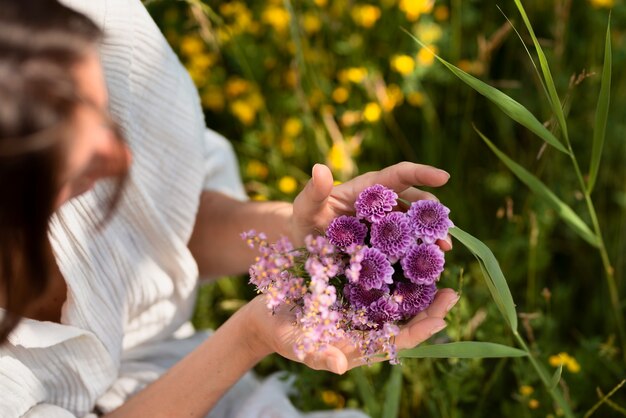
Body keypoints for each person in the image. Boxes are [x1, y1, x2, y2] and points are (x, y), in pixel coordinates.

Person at [0, 0, 460, 417]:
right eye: (81, 161)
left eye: (107, 117)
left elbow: (161, 224)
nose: (123, 160)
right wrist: (250, 337)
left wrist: (301, 234)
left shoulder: (56, 34)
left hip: (167, 375)